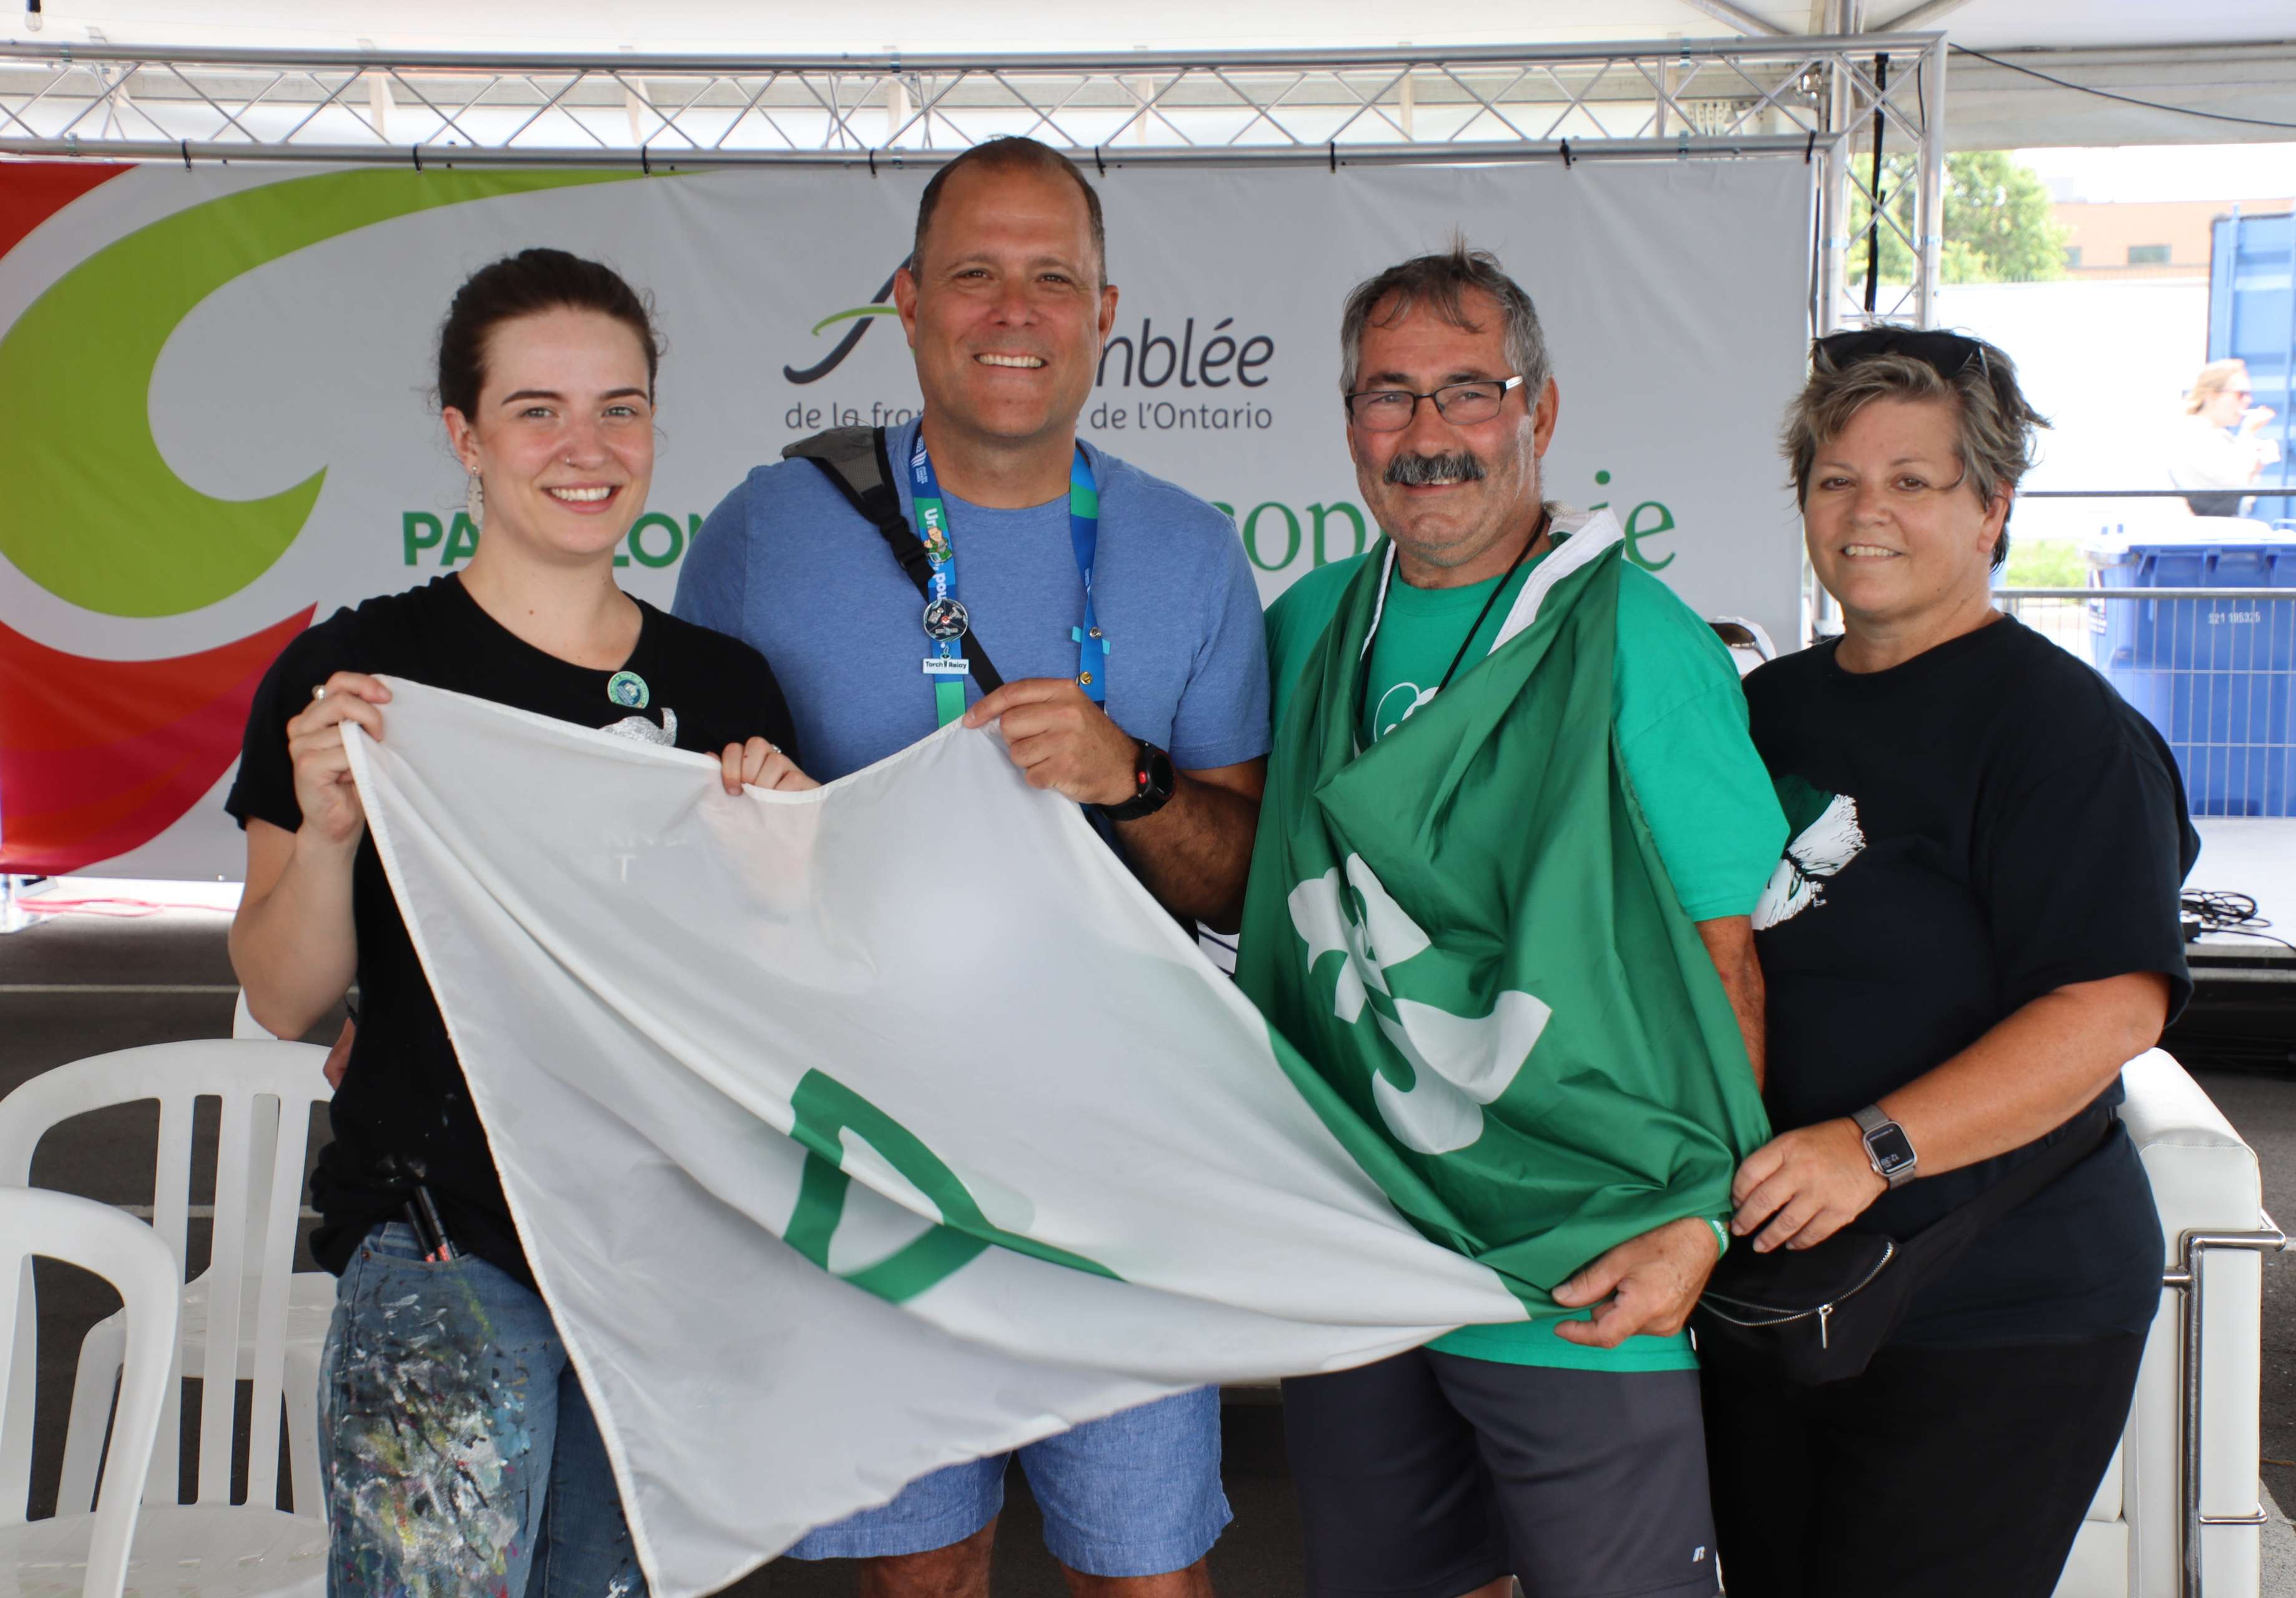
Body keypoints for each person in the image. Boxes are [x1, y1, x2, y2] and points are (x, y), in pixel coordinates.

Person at [673, 137, 1266, 1598]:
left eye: (1050, 277)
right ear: (907, 301)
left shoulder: (1188, 550)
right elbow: (685, 843)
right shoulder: (763, 529)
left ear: (1105, 311)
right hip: (873, 1142)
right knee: (921, 1568)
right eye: (975, 274)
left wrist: (1125, 777)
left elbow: (1238, 878)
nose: (1014, 310)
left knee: (1145, 1568)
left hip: (1117, 1151)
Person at [228, 248, 808, 1598]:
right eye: (537, 408)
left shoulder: (725, 687)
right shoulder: (358, 677)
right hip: (449, 1250)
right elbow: (284, 994)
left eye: (621, 406)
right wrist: (325, 837)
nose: (586, 447)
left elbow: (775, 999)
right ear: (464, 436)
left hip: (661, 1263)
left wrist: (784, 869)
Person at [1244, 243, 1786, 1598]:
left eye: (1467, 391)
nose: (1426, 434)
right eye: (1388, 395)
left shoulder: (1640, 640)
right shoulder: (1311, 623)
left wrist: (1709, 1223)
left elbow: (1727, 957)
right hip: (1366, 1234)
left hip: (1584, 1245)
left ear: (1539, 414)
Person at [1707, 326, 2197, 1598]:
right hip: (1784, 1277)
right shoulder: (1768, 710)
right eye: (1835, 478)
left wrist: (1869, 1144)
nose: (1866, 511)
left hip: (1998, 1299)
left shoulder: (2060, 729)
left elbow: (2111, 1004)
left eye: (1912, 481)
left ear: (1994, 509)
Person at [2165, 356, 2277, 516]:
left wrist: (2255, 468)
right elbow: (2231, 480)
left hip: (2214, 530)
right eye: (2240, 394)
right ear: (2213, 396)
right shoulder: (2193, 433)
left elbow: (2240, 500)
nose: (2248, 401)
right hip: (2196, 533)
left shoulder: (2218, 435)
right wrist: (2248, 432)